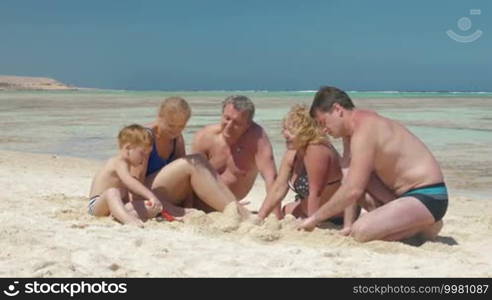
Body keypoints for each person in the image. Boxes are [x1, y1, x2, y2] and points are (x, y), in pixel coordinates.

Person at [299, 86, 448, 242]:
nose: (323, 130)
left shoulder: (365, 129)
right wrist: (347, 225)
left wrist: (315, 218)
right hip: (400, 197)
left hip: (429, 195)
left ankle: (425, 228)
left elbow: (352, 191)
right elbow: (348, 180)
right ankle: (414, 223)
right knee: (362, 182)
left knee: (361, 232)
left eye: (323, 122)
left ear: (337, 109)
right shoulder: (350, 133)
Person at [134, 96, 247, 217]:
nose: (175, 131)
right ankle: (236, 212)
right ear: (159, 117)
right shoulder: (145, 137)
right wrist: (164, 207)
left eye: (181, 126)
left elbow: (186, 180)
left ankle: (235, 207)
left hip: (165, 192)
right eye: (171, 125)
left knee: (200, 160)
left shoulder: (177, 139)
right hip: (144, 193)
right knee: (193, 162)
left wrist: (189, 207)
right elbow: (134, 182)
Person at [257, 105, 358, 228]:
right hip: (309, 208)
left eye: (290, 130)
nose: (284, 134)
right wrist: (259, 217)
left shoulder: (316, 150)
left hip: (336, 215)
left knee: (290, 211)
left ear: (306, 131)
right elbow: (278, 188)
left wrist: (310, 224)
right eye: (284, 128)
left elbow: (315, 193)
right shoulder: (293, 152)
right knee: (286, 210)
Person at [192, 95, 278, 214]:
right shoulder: (205, 137)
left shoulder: (257, 139)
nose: (229, 126)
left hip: (228, 207)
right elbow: (191, 177)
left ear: (248, 125)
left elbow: (271, 178)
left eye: (237, 123)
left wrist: (276, 215)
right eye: (227, 118)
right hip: (199, 203)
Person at [88, 124, 163, 227]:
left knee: (148, 206)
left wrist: (149, 204)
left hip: (112, 206)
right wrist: (151, 196)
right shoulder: (118, 162)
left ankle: (119, 217)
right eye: (142, 153)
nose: (145, 158)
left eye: (148, 154)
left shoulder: (127, 165)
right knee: (112, 192)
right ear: (128, 148)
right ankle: (129, 220)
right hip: (97, 205)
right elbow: (130, 182)